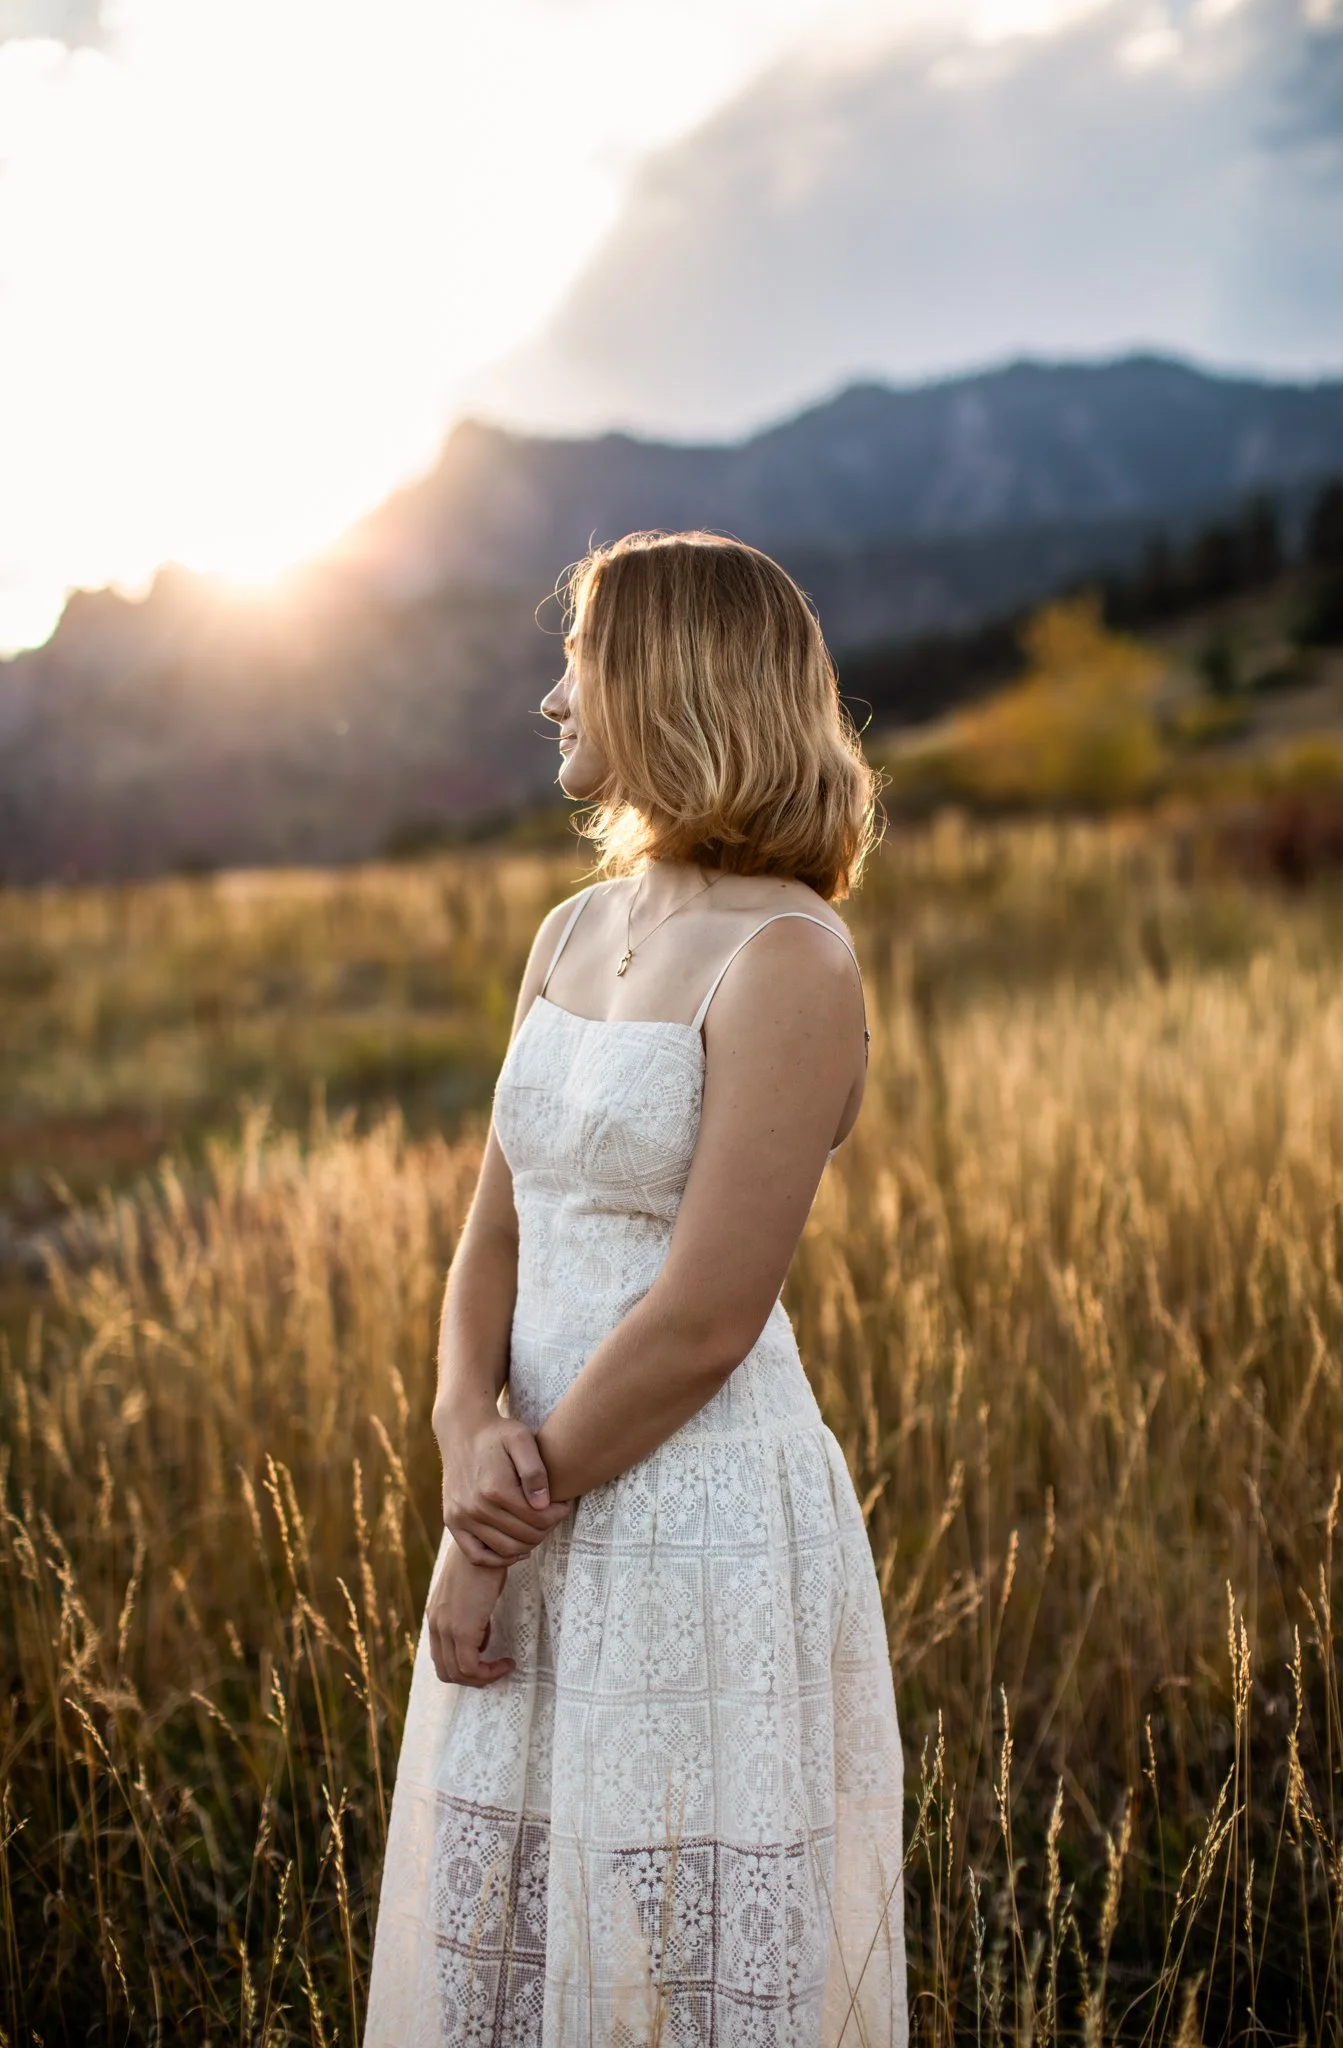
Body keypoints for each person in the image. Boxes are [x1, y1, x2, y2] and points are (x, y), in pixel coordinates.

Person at [364, 531, 908, 2048]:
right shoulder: (571, 930)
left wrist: (500, 1517)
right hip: (522, 1489)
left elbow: (702, 1320)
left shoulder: (794, 956)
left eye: (580, 661)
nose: (551, 699)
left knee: (670, 1953)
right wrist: (464, 1438)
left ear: (670, 681)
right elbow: (496, 1236)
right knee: (512, 1946)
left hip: (691, 1515)